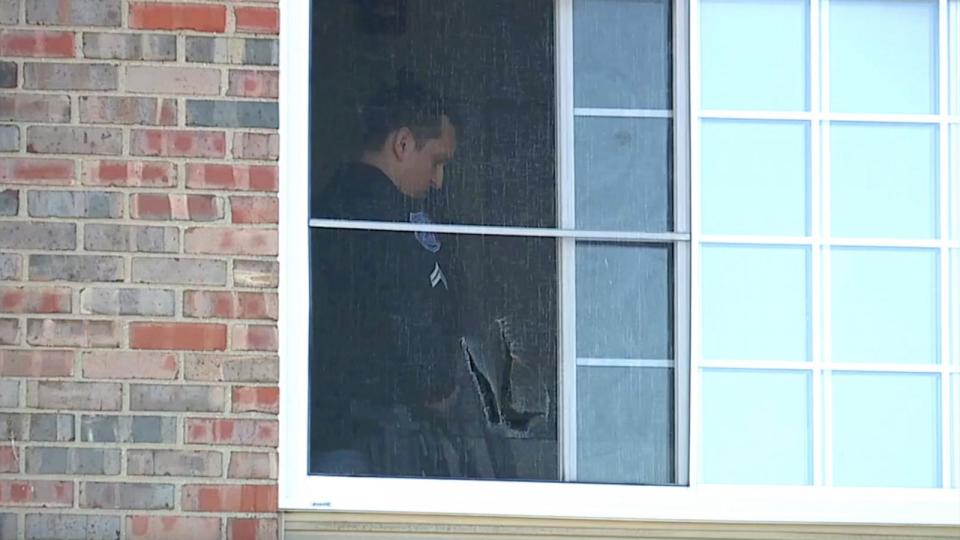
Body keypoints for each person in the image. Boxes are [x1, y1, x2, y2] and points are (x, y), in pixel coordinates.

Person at [309, 82, 466, 478]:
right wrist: (439, 386)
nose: (438, 180)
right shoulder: (378, 219)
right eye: (436, 161)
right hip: (369, 437)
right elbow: (405, 309)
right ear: (402, 144)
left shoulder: (335, 203)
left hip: (341, 430)